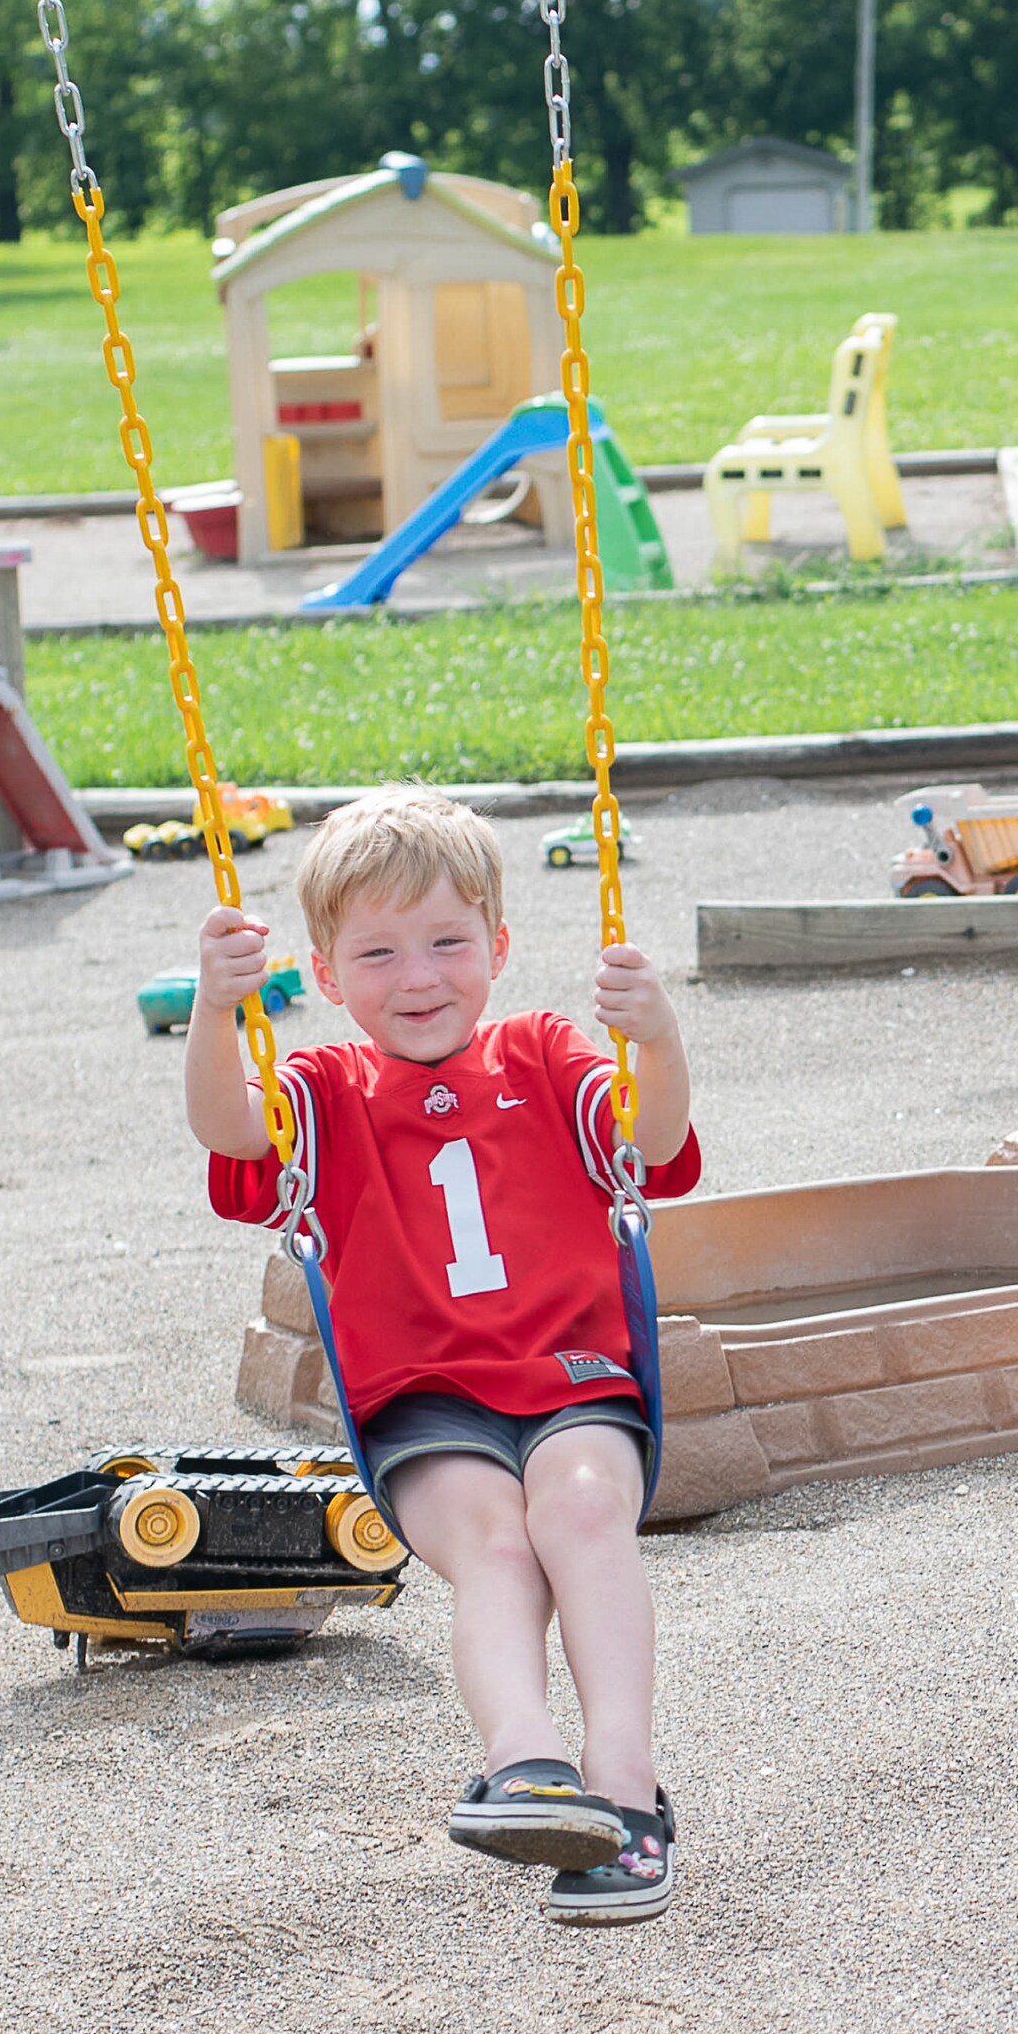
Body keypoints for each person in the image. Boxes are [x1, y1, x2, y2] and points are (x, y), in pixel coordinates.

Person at [185, 791, 699, 1925]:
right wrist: (215, 1015)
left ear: (499, 948)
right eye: (377, 952)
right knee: (498, 1549)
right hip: (427, 1408)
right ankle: (529, 1769)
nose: (417, 975)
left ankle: (627, 1790)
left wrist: (656, 1035)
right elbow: (230, 1134)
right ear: (324, 973)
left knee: (577, 1515)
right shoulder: (325, 1089)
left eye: (447, 942)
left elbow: (651, 1149)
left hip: (574, 1382)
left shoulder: (551, 1052)